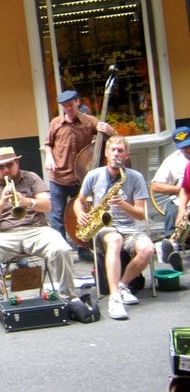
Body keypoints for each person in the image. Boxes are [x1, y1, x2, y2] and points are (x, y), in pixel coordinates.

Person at [0, 147, 77, 325]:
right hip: (4, 234)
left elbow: (47, 206)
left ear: (17, 163)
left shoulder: (31, 177)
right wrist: (2, 202)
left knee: (61, 248)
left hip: (36, 229)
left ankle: (68, 297)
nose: (5, 170)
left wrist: (28, 202)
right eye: (0, 167)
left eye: (9, 165)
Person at [73, 136, 153, 320]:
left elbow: (140, 214)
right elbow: (79, 201)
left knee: (147, 249)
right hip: (105, 228)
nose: (116, 154)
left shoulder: (135, 177)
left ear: (126, 156)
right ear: (107, 153)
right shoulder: (94, 175)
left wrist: (124, 204)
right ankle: (115, 298)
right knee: (115, 240)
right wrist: (80, 214)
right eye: (113, 150)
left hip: (130, 228)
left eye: (121, 151)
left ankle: (123, 285)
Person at [44, 90, 116, 261]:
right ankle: (60, 252)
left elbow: (112, 140)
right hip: (59, 177)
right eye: (64, 106)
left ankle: (83, 247)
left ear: (77, 102)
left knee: (83, 214)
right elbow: (48, 144)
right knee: (57, 216)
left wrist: (110, 131)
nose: (68, 109)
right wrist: (49, 157)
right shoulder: (55, 123)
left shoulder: (89, 122)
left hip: (82, 178)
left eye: (70, 104)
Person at [154, 126, 190, 271]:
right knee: (172, 210)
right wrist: (178, 191)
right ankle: (172, 244)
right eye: (184, 147)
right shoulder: (174, 160)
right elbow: (156, 186)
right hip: (181, 198)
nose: (187, 150)